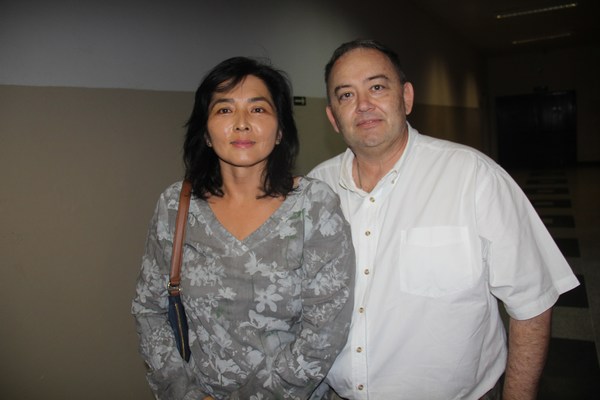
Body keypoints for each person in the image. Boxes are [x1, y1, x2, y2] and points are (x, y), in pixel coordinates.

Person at [308, 39, 580, 400]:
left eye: (377, 87)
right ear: (333, 117)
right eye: (346, 95)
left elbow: (533, 302)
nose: (363, 105)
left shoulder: (474, 177)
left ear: (406, 98)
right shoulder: (315, 191)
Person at [132, 56, 355, 400]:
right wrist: (185, 394)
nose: (241, 123)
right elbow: (149, 310)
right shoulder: (176, 206)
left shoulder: (314, 206)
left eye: (258, 109)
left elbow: (324, 332)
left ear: (280, 131)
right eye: (224, 110)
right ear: (206, 133)